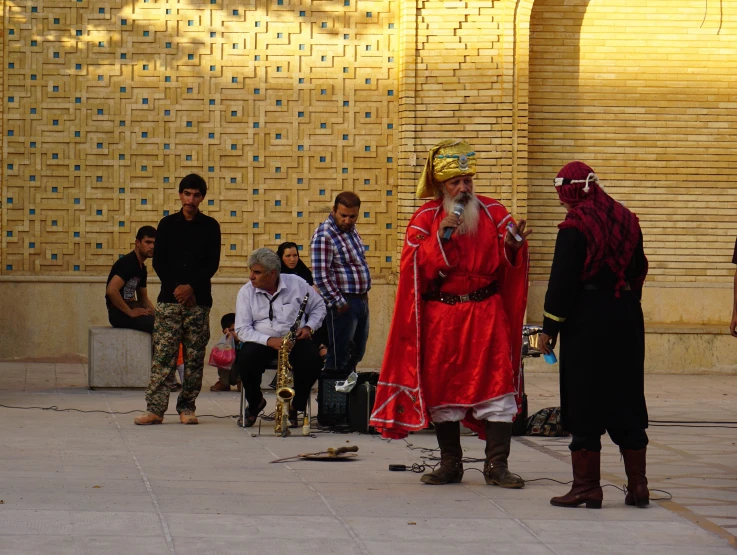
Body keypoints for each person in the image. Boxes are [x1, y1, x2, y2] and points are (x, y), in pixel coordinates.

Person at [369, 140, 531, 488]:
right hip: (442, 318)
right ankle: (450, 464)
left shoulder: (494, 212)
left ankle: (497, 466)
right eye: (455, 182)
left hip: (487, 314)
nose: (463, 188)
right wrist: (441, 238)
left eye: (467, 180)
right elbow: (413, 266)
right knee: (444, 389)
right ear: (441, 186)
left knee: (497, 387)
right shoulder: (426, 218)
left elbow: (510, 257)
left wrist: (514, 248)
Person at [539, 161, 649, 509]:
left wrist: (549, 328)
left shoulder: (575, 226)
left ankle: (586, 487)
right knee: (626, 394)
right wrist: (626, 304)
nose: (560, 199)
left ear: (569, 190)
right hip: (626, 315)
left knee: (585, 396)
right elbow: (637, 269)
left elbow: (562, 283)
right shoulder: (627, 218)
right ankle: (638, 486)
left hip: (587, 319)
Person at [134, 174, 221, 426]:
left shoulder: (210, 226)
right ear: (180, 195)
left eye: (196, 195)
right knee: (163, 356)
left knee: (193, 358)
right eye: (186, 194)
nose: (190, 199)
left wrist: (191, 288)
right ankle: (155, 409)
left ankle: (187, 408)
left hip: (198, 301)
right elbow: (159, 262)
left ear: (202, 197)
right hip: (170, 300)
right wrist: (178, 290)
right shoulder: (167, 224)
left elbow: (211, 264)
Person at [235, 248, 326, 427]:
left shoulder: (297, 284)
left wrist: (309, 327)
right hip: (262, 340)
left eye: (257, 272)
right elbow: (242, 329)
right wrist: (269, 341)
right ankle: (255, 403)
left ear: (273, 273)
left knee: (313, 361)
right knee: (245, 360)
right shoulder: (246, 292)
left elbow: (319, 307)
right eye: (251, 271)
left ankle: (295, 406)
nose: (251, 277)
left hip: (294, 339)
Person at [310, 192, 371, 375]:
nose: (347, 220)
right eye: (343, 215)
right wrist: (339, 302)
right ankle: (330, 401)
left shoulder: (351, 231)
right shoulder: (324, 235)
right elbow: (320, 276)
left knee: (356, 353)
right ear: (334, 210)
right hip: (343, 304)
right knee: (338, 357)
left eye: (352, 216)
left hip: (360, 301)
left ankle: (347, 400)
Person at [277, 241, 329, 359]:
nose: (292, 259)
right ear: (281, 257)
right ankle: (319, 345)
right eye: (288, 256)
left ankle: (321, 344)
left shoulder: (303, 272)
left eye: (295, 255)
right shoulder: (278, 275)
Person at [105, 226, 157, 333]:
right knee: (157, 326)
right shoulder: (128, 263)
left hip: (131, 309)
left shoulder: (142, 268)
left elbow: (143, 299)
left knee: (162, 324)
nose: (152, 246)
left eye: (154, 243)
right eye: (147, 242)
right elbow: (111, 290)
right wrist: (130, 312)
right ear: (137, 242)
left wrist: (159, 316)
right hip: (118, 314)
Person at [209, 313, 243, 392]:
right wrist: (229, 338)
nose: (237, 333)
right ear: (225, 331)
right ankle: (224, 383)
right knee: (223, 355)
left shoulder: (244, 341)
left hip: (240, 373)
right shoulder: (225, 342)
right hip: (229, 372)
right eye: (233, 330)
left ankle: (242, 382)